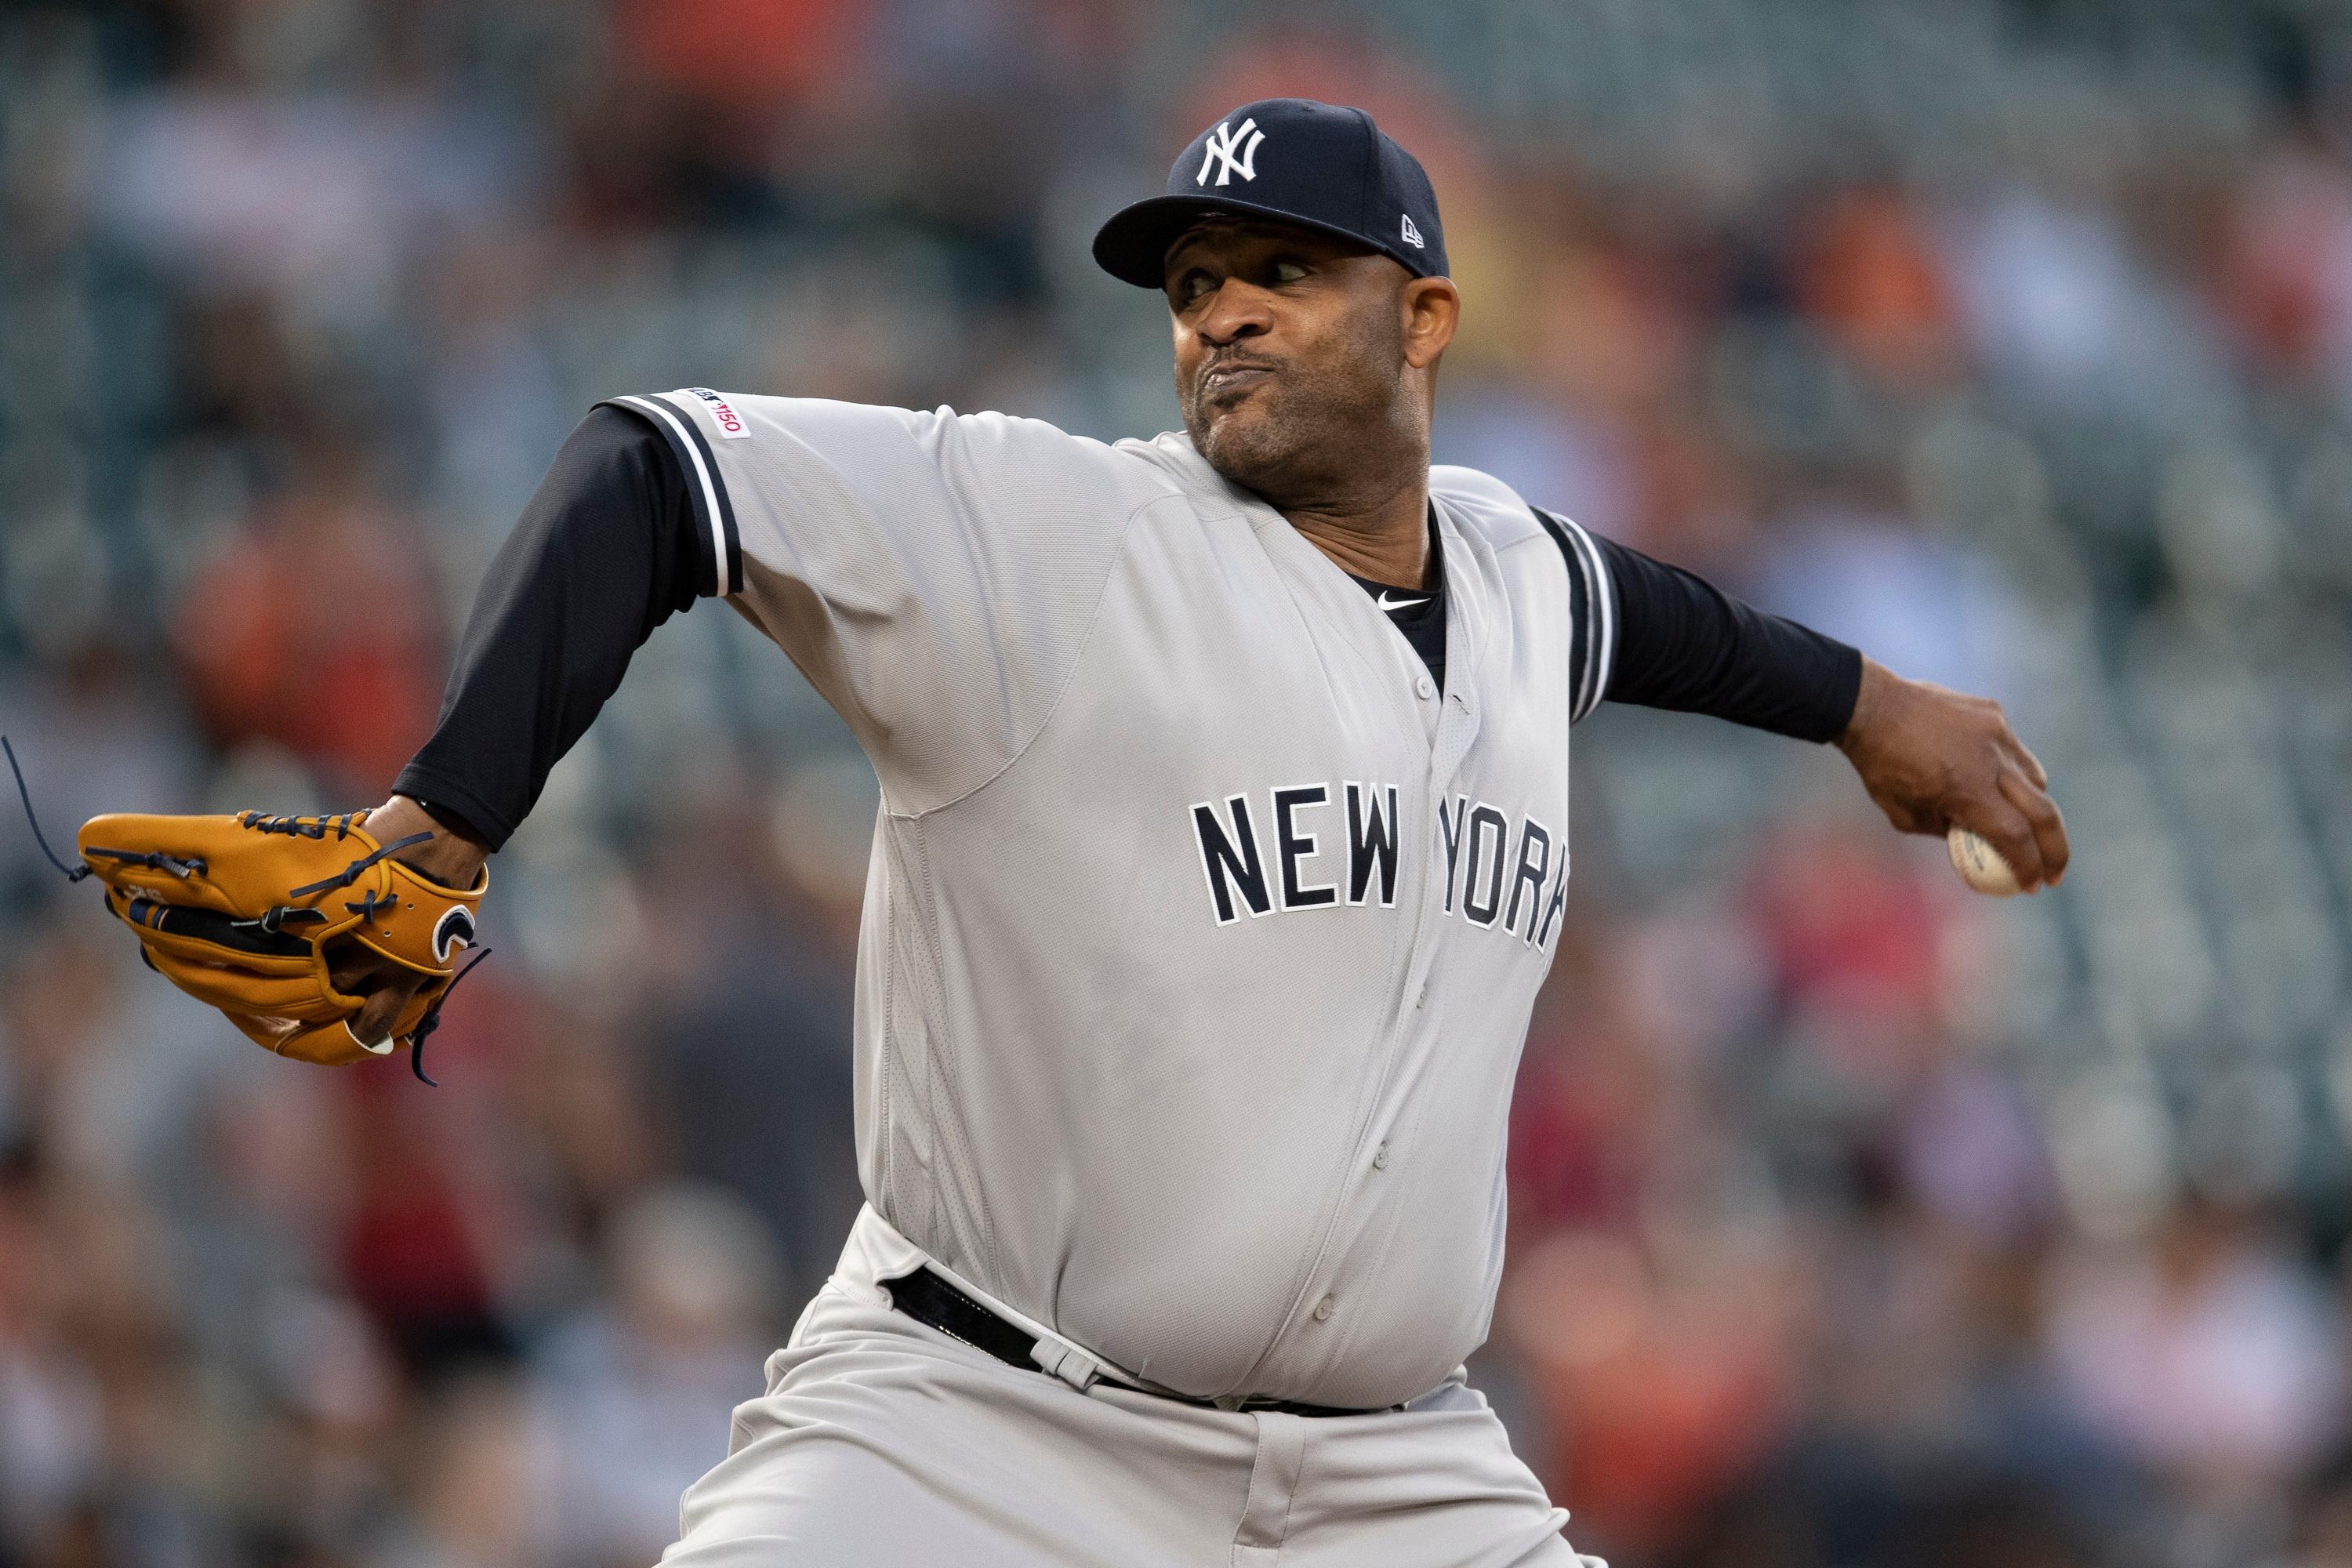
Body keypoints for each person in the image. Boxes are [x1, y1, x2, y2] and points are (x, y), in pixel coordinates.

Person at [336, 99, 2067, 1565]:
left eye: (1285, 273)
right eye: (1193, 285)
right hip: (977, 1429)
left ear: (1428, 319)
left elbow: (1664, 618)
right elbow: (652, 466)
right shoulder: (1054, 531)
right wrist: (446, 816)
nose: (1221, 314)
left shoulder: (1521, 570)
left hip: (1395, 1480)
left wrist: (1865, 704)